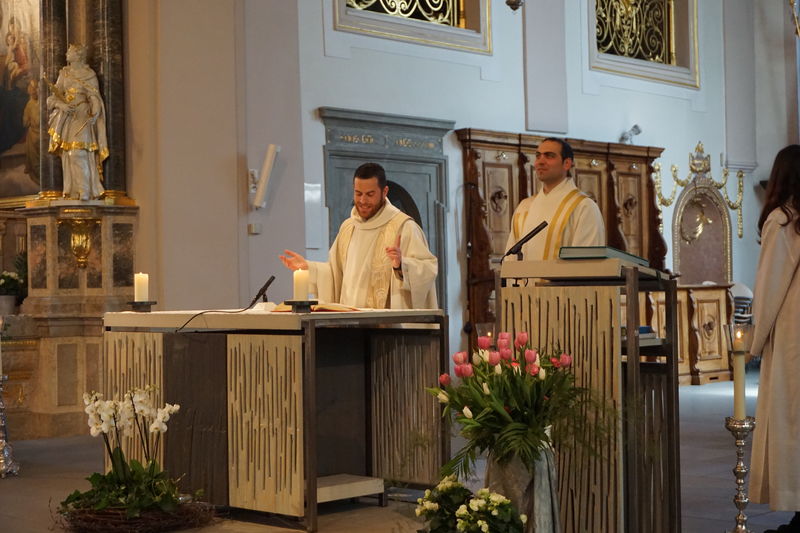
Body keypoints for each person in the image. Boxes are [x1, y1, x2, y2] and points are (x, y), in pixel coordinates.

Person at [280, 162, 438, 309]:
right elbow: (335, 274)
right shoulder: (348, 227)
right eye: (358, 193)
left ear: (384, 192)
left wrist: (402, 266)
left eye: (370, 194)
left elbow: (428, 270)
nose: (362, 200)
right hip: (349, 320)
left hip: (386, 325)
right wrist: (309, 268)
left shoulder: (404, 227)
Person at [749, 145, 800, 533]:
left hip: (791, 333)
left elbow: (768, 288)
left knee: (790, 420)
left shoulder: (783, 219)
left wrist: (753, 343)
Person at [504, 138, 605, 260]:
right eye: (538, 156)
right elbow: (510, 260)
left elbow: (586, 263)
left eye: (549, 156)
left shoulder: (583, 206)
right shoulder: (524, 207)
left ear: (567, 163)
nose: (540, 162)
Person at [46, 43, 108, 200]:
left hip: (82, 115)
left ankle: (86, 190)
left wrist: (95, 112)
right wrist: (62, 105)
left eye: (70, 51)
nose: (66, 54)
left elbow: (94, 97)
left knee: (79, 152)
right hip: (67, 118)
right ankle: (72, 190)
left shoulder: (89, 74)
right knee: (68, 154)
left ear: (78, 55)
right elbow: (52, 98)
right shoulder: (64, 74)